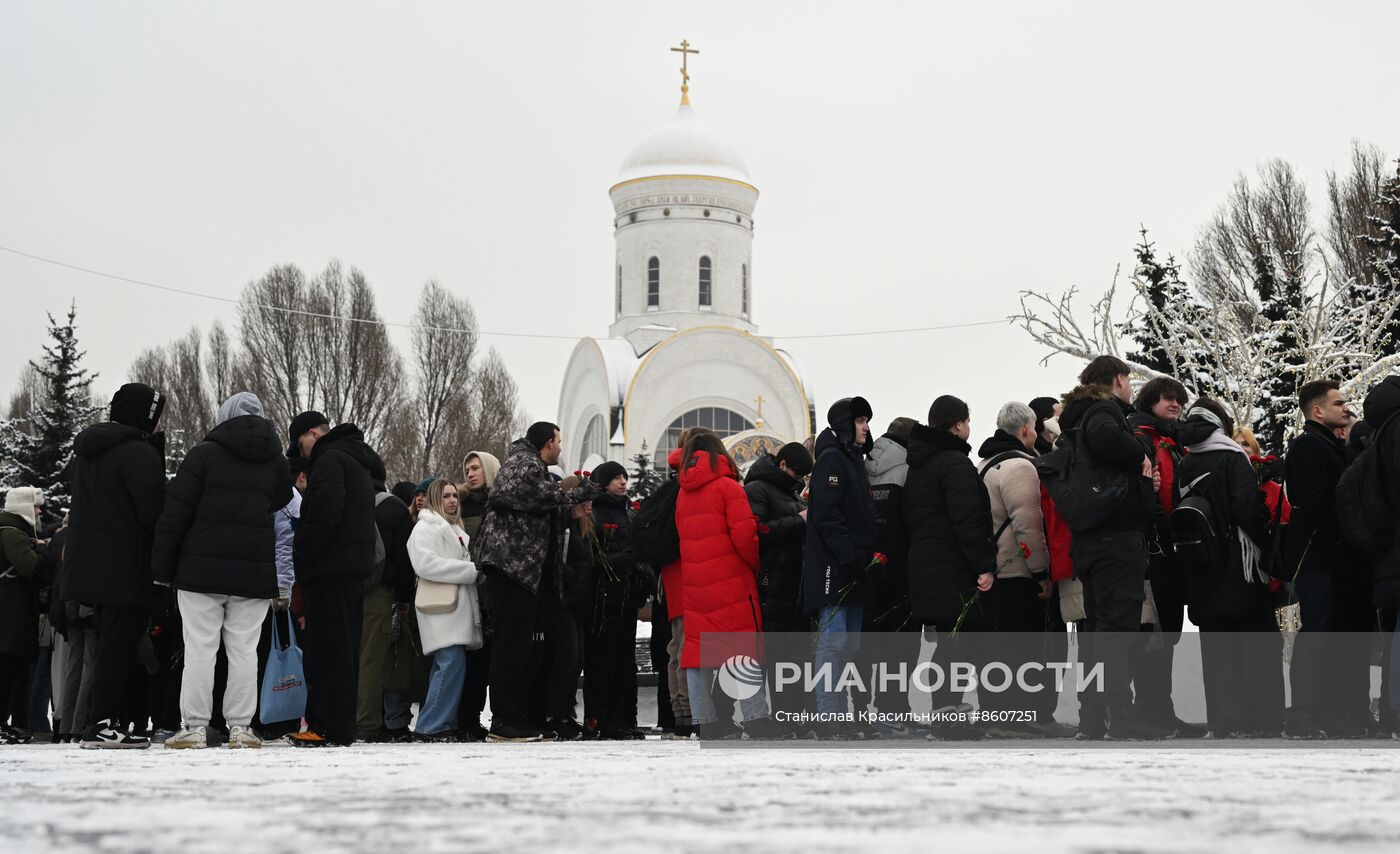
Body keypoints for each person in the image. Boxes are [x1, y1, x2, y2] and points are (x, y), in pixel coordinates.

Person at [151, 392, 288, 750]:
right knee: (244, 650)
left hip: (201, 570)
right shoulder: (274, 460)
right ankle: (241, 727)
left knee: (200, 648)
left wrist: (162, 569)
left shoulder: (204, 455)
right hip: (253, 572)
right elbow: (282, 499)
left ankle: (195, 726)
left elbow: (175, 513)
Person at [1057, 356, 1166, 740]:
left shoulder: (1073, 418)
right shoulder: (1104, 410)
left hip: (1089, 536)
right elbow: (1108, 436)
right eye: (1129, 382)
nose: (1131, 390)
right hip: (1117, 536)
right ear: (1118, 379)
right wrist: (1140, 454)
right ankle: (1121, 715)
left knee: (1095, 630)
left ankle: (1092, 717)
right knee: (1118, 628)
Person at [471, 422, 595, 742]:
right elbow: (511, 493)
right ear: (547, 442)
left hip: (520, 568)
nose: (561, 448)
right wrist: (576, 490)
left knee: (520, 646)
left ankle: (517, 716)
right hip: (510, 564)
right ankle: (504, 721)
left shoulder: (529, 464)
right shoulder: (523, 462)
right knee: (510, 645)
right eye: (559, 441)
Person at [65, 382, 166, 749]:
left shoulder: (91, 452)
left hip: (94, 564)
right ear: (145, 416)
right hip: (126, 566)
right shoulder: (136, 454)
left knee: (108, 643)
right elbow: (152, 511)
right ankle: (102, 722)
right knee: (118, 647)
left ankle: (101, 718)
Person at [1174, 398, 1282, 737]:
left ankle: (1223, 720)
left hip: (1202, 569)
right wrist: (1267, 544)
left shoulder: (1186, 462)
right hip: (1240, 567)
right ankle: (1262, 720)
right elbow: (1247, 509)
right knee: (1256, 645)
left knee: (1217, 649)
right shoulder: (1232, 457)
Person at [676, 432, 787, 740]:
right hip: (731, 579)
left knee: (698, 650)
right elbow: (745, 536)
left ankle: (705, 721)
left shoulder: (683, 493)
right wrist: (752, 567)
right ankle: (755, 717)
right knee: (742, 647)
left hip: (696, 582)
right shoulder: (728, 488)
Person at [1284, 379, 1372, 738]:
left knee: (1334, 636)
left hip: (1335, 559)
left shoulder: (1330, 446)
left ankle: (1334, 714)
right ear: (1317, 410)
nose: (1346, 408)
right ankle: (1304, 715)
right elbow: (1314, 503)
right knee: (1316, 634)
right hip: (1319, 558)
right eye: (1339, 403)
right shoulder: (1308, 447)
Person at [904, 395, 996, 729]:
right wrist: (983, 565)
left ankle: (946, 710)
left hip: (927, 564)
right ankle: (949, 712)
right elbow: (968, 520)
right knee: (960, 642)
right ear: (957, 425)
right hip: (954, 567)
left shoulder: (919, 464)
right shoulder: (954, 464)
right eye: (967, 421)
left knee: (948, 640)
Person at [287, 412, 378, 747]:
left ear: (312, 433)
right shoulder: (357, 460)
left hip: (329, 571)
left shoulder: (329, 460)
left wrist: (302, 553)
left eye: (301, 444)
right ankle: (341, 725)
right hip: (353, 570)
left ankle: (325, 726)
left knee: (326, 652)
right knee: (345, 650)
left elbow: (324, 514)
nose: (303, 454)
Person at [975, 402, 1060, 734]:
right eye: (1035, 428)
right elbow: (1028, 525)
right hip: (1017, 571)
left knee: (996, 648)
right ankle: (1017, 716)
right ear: (1026, 429)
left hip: (993, 570)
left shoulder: (984, 465)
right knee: (1021, 647)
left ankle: (996, 713)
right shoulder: (1021, 468)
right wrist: (1040, 572)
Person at [1127, 376, 1203, 737]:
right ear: (1150, 400)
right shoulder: (1143, 437)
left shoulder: (1173, 440)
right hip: (1154, 546)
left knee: (1167, 628)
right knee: (1153, 631)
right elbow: (1149, 492)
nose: (1175, 404)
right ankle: (1152, 711)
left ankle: (1161, 709)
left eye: (1178, 400)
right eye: (1167, 398)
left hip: (1171, 546)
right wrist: (1164, 530)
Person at [803, 397, 880, 727]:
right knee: (833, 643)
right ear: (846, 424)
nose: (866, 427)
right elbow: (826, 514)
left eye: (867, 420)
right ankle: (830, 715)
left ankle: (839, 712)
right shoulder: (833, 459)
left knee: (849, 644)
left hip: (855, 566)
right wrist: (848, 555)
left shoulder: (853, 460)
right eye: (860, 420)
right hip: (835, 567)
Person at [407, 479, 483, 742]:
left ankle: (441, 722)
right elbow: (425, 564)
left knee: (450, 665)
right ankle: (431, 725)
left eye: (454, 496)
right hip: (441, 607)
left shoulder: (451, 527)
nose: (452, 500)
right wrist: (470, 572)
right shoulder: (426, 526)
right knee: (449, 664)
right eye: (446, 496)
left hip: (453, 608)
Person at [745, 442, 813, 728]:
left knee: (793, 657)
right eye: (797, 473)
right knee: (776, 655)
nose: (799, 480)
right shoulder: (757, 490)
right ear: (782, 465)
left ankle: (792, 717)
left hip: (792, 586)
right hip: (771, 584)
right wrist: (799, 521)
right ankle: (774, 718)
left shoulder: (789, 491)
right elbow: (756, 533)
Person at [583, 461, 646, 740]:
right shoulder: (594, 512)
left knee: (624, 661)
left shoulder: (629, 513)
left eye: (624, 476)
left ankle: (624, 718)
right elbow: (591, 558)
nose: (622, 482)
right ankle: (601, 719)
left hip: (628, 597)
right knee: (603, 660)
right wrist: (622, 560)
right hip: (603, 599)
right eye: (616, 477)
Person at [357, 455, 415, 743]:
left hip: (346, 591)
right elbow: (404, 561)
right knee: (372, 660)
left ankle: (343, 716)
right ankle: (366, 724)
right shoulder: (392, 506)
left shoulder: (349, 501)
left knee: (347, 658)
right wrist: (403, 598)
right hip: (380, 593)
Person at [1, 488, 50, 745]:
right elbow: (29, 566)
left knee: (10, 672)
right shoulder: (12, 534)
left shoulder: (10, 532)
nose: (40, 511)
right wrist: (43, 550)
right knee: (6, 672)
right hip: (10, 615)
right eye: (36, 506)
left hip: (11, 614)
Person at [456, 450, 500, 742]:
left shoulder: (501, 505)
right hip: (470, 592)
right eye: (467, 469)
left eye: (476, 468)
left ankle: (499, 719)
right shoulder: (459, 506)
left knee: (496, 664)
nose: (470, 473)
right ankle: (467, 720)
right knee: (474, 664)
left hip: (496, 593)